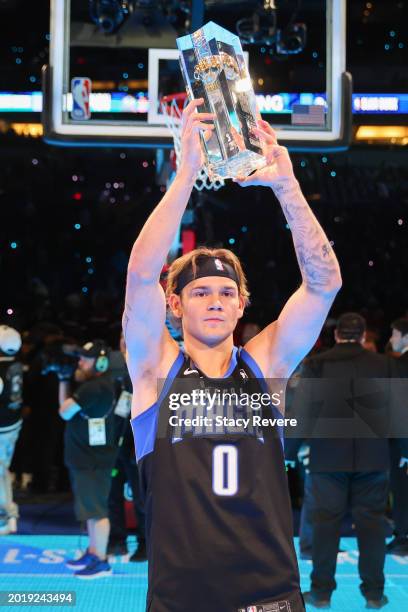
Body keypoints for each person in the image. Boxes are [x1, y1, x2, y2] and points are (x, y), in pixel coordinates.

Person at [124, 99, 342, 612]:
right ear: (175, 304)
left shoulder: (264, 366)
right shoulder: (156, 369)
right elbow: (139, 275)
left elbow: (324, 283)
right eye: (201, 292)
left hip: (270, 597)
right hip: (181, 599)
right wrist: (185, 177)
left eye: (226, 292)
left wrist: (287, 185)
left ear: (243, 303)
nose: (216, 300)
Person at [286, 312, 406, 609]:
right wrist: (404, 450)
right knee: (372, 527)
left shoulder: (317, 364)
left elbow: (301, 412)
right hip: (374, 459)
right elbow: (400, 412)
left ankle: (321, 593)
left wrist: (288, 453)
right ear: (364, 337)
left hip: (328, 460)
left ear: (337, 335)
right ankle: (375, 595)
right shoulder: (386, 364)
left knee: (325, 527)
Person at [59, 340, 117, 579]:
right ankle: (94, 552)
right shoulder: (97, 384)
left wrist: (63, 381)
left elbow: (64, 411)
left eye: (85, 358)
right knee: (91, 511)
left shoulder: (94, 387)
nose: (80, 362)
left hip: (92, 461)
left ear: (101, 362)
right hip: (88, 459)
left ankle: (101, 561)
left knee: (97, 511)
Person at [387, 317, 408, 556]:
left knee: (401, 490)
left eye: (395, 334)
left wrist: (405, 449)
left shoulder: (400, 365)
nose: (391, 339)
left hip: (403, 442)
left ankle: (403, 537)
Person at [0, 325, 23, 535]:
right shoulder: (16, 364)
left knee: (1, 473)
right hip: (12, 424)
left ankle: (9, 516)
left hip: (2, 429)